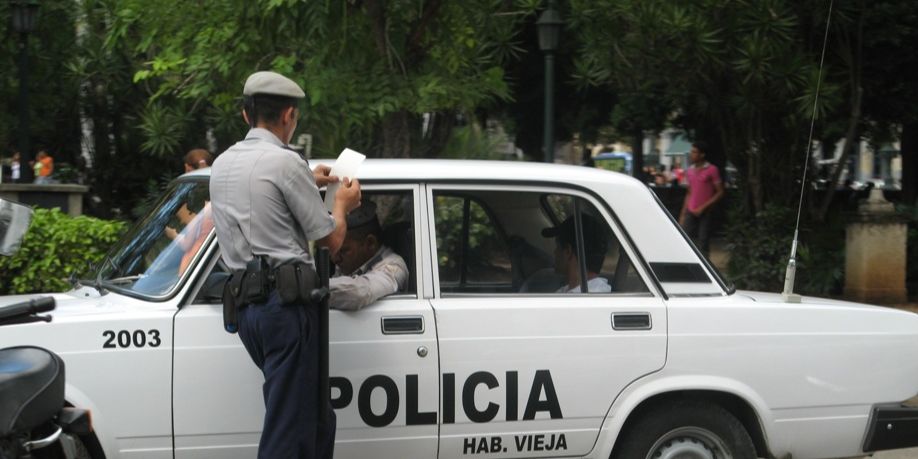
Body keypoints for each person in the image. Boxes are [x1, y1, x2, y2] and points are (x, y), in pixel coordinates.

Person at [210, 71, 360, 459]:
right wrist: (341, 205)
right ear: (289, 115)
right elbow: (331, 240)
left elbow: (260, 201)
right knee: (289, 432)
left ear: (246, 115)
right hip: (286, 310)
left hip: (247, 310)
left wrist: (307, 180)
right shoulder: (285, 162)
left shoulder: (223, 164)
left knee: (312, 420)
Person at [329, 200, 408, 310]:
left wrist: (312, 289)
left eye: (343, 250)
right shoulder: (350, 264)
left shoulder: (394, 267)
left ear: (370, 243)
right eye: (332, 250)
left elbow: (358, 294)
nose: (334, 259)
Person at [542, 214, 611, 293]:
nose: (554, 252)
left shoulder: (588, 302)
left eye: (558, 246)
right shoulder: (570, 291)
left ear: (568, 251)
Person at [679, 141, 724, 255]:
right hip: (691, 209)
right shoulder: (689, 171)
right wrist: (683, 214)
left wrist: (703, 207)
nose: (691, 154)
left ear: (702, 154)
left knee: (703, 240)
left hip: (706, 210)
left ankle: (705, 265)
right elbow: (689, 192)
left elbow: (720, 192)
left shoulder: (712, 169)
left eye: (694, 152)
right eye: (691, 152)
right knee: (683, 237)